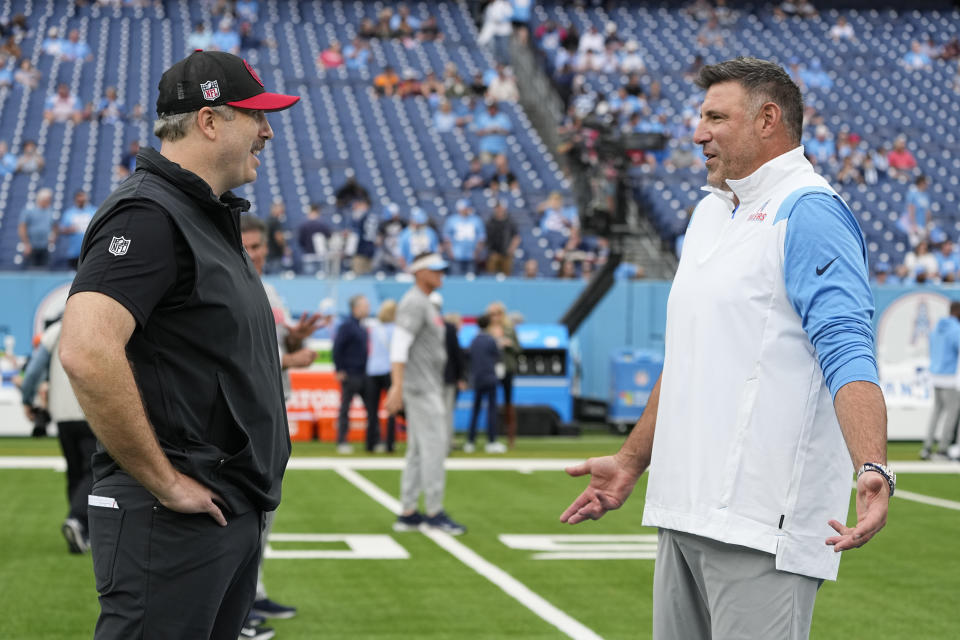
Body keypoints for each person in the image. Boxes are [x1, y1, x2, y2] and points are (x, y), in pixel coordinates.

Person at [560, 57, 890, 639]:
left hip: (761, 525)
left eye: (716, 116)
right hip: (682, 511)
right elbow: (688, 358)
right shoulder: (710, 213)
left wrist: (872, 464)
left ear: (768, 119)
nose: (697, 132)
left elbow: (847, 347)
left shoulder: (809, 211)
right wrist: (631, 461)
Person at [58, 50, 299, 640]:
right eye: (255, 116)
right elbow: (86, 350)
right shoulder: (147, 215)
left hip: (221, 510)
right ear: (210, 121)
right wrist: (164, 480)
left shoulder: (202, 215)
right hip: (171, 519)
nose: (268, 131)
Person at [239, 212, 320, 634]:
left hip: (272, 409)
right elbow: (239, 358)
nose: (258, 254)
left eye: (262, 246)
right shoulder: (227, 284)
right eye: (250, 247)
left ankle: (253, 590)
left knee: (265, 511)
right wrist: (292, 358)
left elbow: (276, 341)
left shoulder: (266, 290)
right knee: (244, 512)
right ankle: (238, 602)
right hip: (245, 415)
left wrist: (296, 339)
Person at [385, 252, 466, 535]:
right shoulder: (415, 302)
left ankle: (408, 511)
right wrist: (396, 386)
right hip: (421, 388)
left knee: (419, 451)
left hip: (426, 385)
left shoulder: (425, 303)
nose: (441, 274)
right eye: (436, 269)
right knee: (434, 448)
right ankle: (433, 512)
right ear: (419, 272)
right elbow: (399, 345)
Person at [20, 316, 98, 554]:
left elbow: (33, 372)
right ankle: (77, 520)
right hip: (91, 412)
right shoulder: (98, 325)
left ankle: (78, 532)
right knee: (94, 470)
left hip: (62, 414)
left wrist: (27, 400)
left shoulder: (55, 331)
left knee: (74, 472)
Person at [921, 301, 960, 460]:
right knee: (952, 413)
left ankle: (927, 447)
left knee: (936, 412)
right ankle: (943, 449)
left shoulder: (936, 328)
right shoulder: (956, 330)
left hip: (935, 375)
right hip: (949, 377)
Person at [428, 292, 466, 452]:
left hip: (431, 377)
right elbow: (457, 355)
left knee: (433, 413)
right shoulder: (448, 328)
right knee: (446, 412)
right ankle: (445, 444)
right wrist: (460, 376)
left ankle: (435, 444)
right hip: (443, 377)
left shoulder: (427, 327)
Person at [333, 295, 370, 455]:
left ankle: (373, 441)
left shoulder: (362, 327)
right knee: (345, 409)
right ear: (356, 308)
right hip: (349, 374)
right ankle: (342, 440)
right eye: (364, 305)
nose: (368, 308)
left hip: (364, 374)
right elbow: (337, 348)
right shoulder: (347, 326)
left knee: (371, 408)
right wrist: (339, 369)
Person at [465, 314, 506, 454]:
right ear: (488, 325)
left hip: (477, 379)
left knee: (475, 410)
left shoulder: (474, 340)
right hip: (489, 378)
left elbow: (470, 359)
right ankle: (492, 442)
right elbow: (498, 357)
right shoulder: (490, 340)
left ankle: (470, 442)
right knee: (491, 410)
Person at [486, 301, 519, 448]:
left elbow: (519, 349)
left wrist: (509, 344)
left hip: (507, 369)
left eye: (498, 313)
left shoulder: (509, 329)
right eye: (492, 314)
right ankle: (491, 437)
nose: (495, 317)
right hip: (491, 370)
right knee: (491, 403)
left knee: (508, 404)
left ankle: (511, 437)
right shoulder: (486, 331)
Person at [442, 199, 486, 276]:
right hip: (456, 255)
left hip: (471, 255)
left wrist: (477, 251)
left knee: (471, 279)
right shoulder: (452, 220)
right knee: (456, 278)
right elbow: (447, 238)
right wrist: (450, 251)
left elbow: (481, 238)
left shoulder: (476, 220)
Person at [59, 190, 97, 269]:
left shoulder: (93, 211)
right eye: (78, 198)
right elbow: (61, 229)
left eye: (82, 198)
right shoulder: (69, 213)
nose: (80, 200)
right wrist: (69, 230)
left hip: (90, 250)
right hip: (74, 252)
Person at [19, 188, 55, 268]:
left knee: (44, 270)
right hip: (32, 246)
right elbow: (22, 228)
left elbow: (55, 226)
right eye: (47, 199)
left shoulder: (50, 211)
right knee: (32, 270)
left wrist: (53, 237)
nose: (49, 201)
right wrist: (26, 244)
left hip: (45, 246)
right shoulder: (29, 211)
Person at [485, 200, 519, 275]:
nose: (499, 210)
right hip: (493, 253)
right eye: (497, 208)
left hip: (506, 253)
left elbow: (516, 237)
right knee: (491, 273)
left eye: (500, 207)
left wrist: (511, 249)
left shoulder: (510, 222)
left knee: (507, 274)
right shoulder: (490, 222)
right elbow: (486, 238)